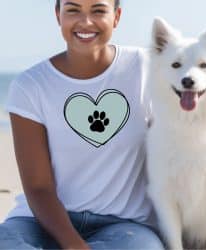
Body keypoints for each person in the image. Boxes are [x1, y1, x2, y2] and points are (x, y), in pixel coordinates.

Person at [0, 0, 164, 249]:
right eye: (73, 10)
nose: (85, 22)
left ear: (116, 16)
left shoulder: (147, 69)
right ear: (58, 16)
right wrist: (74, 245)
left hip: (125, 227)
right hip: (39, 222)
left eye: (98, 10)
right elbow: (38, 186)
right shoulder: (30, 86)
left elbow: (174, 149)